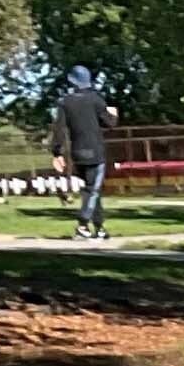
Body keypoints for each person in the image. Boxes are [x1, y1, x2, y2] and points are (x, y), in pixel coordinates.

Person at [52, 65, 116, 240]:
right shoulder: (96, 99)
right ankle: (82, 225)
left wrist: (57, 152)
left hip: (78, 153)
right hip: (95, 151)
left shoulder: (65, 102)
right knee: (92, 190)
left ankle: (100, 228)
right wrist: (113, 114)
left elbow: (59, 128)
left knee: (92, 190)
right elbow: (109, 124)